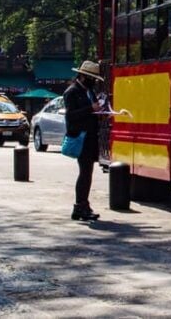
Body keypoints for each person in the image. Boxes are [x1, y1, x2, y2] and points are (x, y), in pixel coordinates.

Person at [64, 60, 105, 221]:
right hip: (81, 137)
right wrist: (91, 109)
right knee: (85, 172)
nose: (93, 81)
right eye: (91, 78)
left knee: (88, 172)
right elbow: (71, 115)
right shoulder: (72, 92)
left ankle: (82, 205)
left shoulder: (89, 91)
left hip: (91, 136)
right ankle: (80, 205)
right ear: (82, 76)